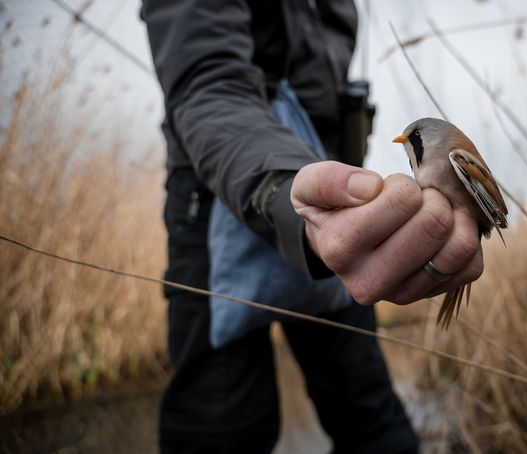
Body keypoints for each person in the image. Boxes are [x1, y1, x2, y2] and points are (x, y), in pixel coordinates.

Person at [142, 0, 483, 452]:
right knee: (220, 427)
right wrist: (287, 190)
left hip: (334, 225)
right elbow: (208, 87)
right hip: (219, 210)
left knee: (377, 427)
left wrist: (345, 206)